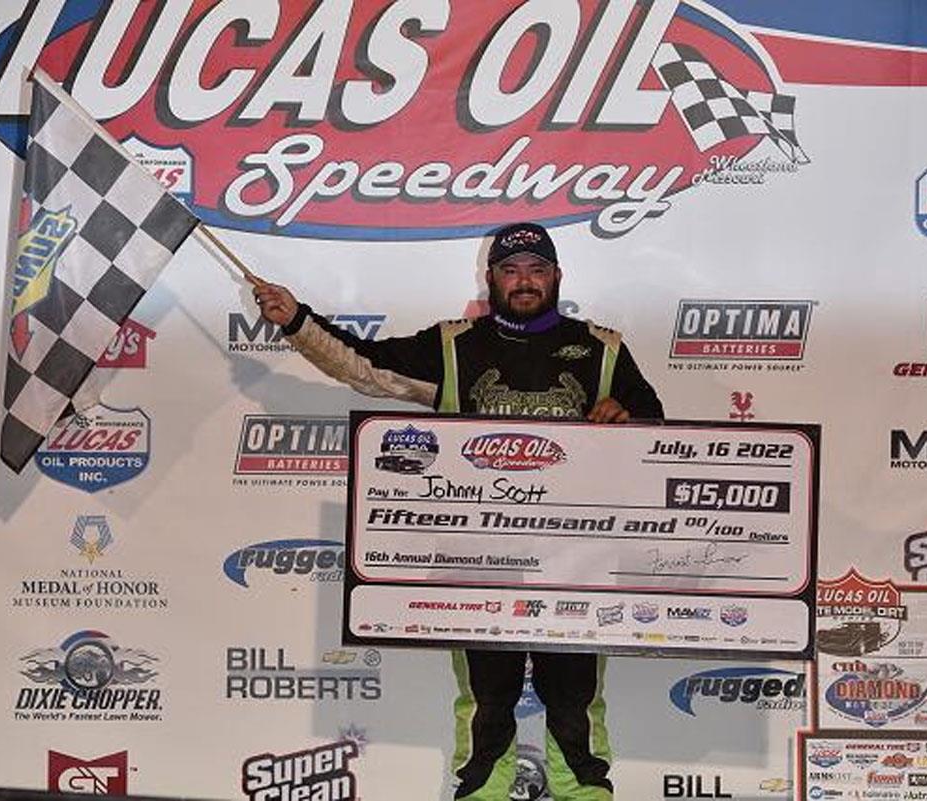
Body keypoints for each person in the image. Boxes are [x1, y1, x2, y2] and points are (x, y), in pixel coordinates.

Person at [254, 222, 663, 801]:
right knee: (486, 697)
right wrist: (298, 320)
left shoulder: (602, 349)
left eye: (536, 269)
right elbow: (364, 365)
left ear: (557, 277)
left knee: (575, 696)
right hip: (478, 563)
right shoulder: (454, 346)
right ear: (490, 278)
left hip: (576, 563)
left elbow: (655, 430)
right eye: (511, 270)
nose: (524, 281)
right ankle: (481, 792)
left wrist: (627, 414)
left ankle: (585, 792)